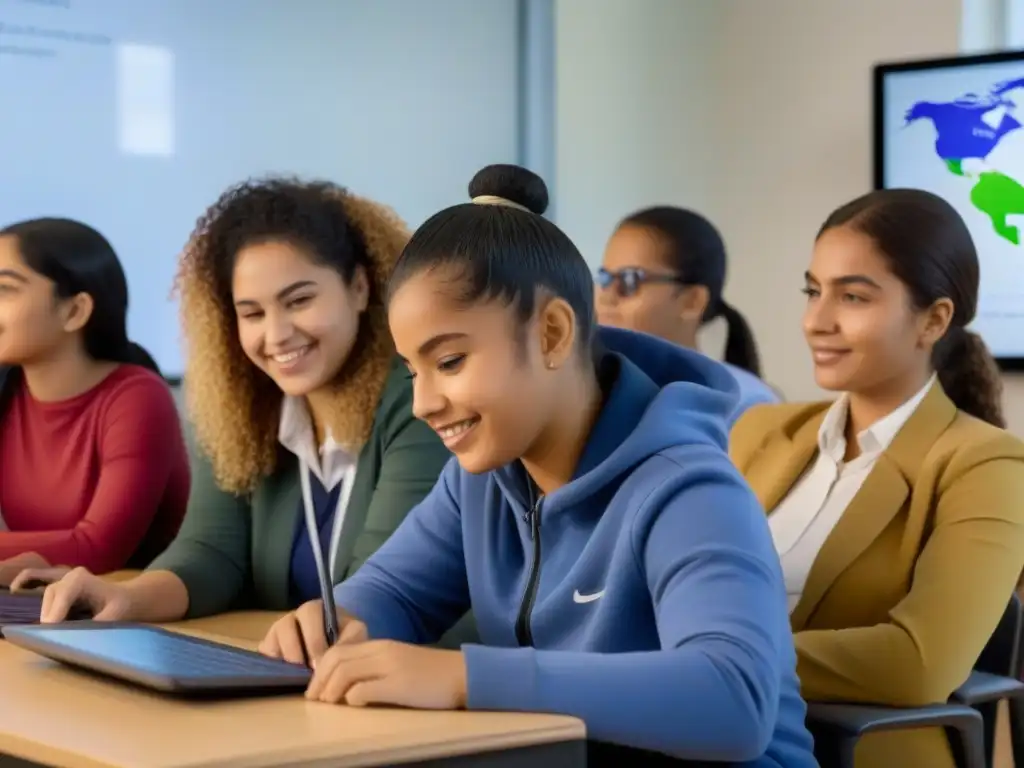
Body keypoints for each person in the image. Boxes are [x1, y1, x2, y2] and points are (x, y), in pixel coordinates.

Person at [258, 165, 816, 767]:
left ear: (551, 334)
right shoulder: (482, 481)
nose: (421, 403)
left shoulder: (688, 488)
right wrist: (334, 621)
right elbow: (397, 591)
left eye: (448, 361)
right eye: (413, 371)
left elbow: (734, 700)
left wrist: (464, 679)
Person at [24, 178, 453, 627]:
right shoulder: (242, 412)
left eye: (300, 300)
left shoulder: (418, 401)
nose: (277, 333)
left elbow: (384, 594)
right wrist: (127, 598)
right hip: (288, 672)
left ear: (360, 288)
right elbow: (210, 552)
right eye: (252, 313)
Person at [730, 188, 1024, 768]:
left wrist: (723, 660)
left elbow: (920, 662)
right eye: (813, 291)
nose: (816, 320)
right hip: (721, 735)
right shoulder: (761, 431)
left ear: (934, 319)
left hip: (854, 750)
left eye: (853, 297)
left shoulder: (985, 464)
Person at [0, 218, 188, 585]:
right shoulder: (7, 390)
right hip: (41, 603)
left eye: (5, 288)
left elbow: (99, 546)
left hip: (134, 612)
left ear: (75, 312)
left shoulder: (138, 397)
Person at [596, 206, 780, 417]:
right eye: (605, 278)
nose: (606, 297)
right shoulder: (590, 392)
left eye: (629, 280)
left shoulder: (746, 404)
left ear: (692, 301)